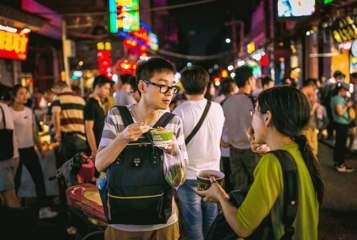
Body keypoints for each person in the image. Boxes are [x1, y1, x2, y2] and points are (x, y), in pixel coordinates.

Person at [197, 86, 324, 239]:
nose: (252, 119)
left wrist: (220, 196)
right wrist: (267, 151)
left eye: (255, 112)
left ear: (267, 118)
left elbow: (243, 227)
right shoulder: (304, 153)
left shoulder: (272, 163)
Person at [96, 57, 187, 240]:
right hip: (122, 222)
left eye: (173, 87)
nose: (169, 93)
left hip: (162, 222)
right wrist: (123, 138)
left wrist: (174, 152)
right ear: (142, 87)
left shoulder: (173, 122)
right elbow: (100, 165)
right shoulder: (117, 117)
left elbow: (179, 180)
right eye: (163, 86)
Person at [172, 66, 225, 240]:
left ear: (184, 87)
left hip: (188, 176)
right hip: (212, 176)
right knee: (211, 221)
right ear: (206, 86)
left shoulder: (179, 112)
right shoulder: (217, 108)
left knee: (193, 225)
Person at [11, 85, 57, 218]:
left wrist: (40, 148)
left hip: (29, 149)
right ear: (14, 96)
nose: (24, 96)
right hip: (16, 151)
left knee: (38, 178)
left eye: (25, 93)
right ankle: (14, 208)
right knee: (16, 181)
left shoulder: (28, 111)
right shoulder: (9, 112)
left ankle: (43, 208)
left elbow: (33, 132)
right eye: (21, 94)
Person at [222, 66, 261, 190]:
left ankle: (240, 208)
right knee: (257, 185)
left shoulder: (225, 102)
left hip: (234, 150)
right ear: (249, 80)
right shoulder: (254, 101)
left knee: (239, 186)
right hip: (252, 150)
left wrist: (223, 142)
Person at [52, 81, 87, 165]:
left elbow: (56, 115)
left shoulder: (58, 97)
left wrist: (57, 133)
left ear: (59, 88)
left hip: (68, 138)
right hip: (81, 138)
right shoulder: (80, 99)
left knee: (67, 168)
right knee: (81, 168)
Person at [0, 83, 20, 208]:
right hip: (13, 154)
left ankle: (18, 224)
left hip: (3, 159)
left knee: (9, 194)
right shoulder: (6, 107)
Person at [84, 75, 111, 166]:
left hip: (101, 145)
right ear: (96, 87)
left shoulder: (98, 103)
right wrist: (94, 150)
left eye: (109, 89)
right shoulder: (91, 104)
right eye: (106, 88)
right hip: (95, 148)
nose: (108, 91)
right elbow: (89, 129)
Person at [218, 78, 238, 193]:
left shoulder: (218, 103)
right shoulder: (228, 104)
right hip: (231, 147)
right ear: (233, 89)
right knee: (234, 176)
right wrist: (223, 143)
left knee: (228, 176)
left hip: (225, 148)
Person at [331, 82, 355, 172]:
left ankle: (337, 162)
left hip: (340, 123)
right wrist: (347, 106)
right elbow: (340, 112)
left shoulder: (336, 98)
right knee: (341, 144)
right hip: (341, 123)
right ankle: (341, 164)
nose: (346, 92)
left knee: (339, 143)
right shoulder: (337, 99)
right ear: (342, 89)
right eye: (345, 90)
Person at [322, 70, 345, 139]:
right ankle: (330, 134)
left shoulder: (330, 82)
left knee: (330, 119)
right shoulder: (332, 83)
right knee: (331, 119)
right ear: (338, 76)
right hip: (330, 104)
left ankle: (330, 134)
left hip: (328, 103)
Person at [301, 79, 319, 155]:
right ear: (309, 86)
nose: (313, 91)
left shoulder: (302, 96)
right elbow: (307, 113)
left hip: (308, 126)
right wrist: (314, 106)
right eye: (313, 89)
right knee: (311, 148)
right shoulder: (303, 97)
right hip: (307, 126)